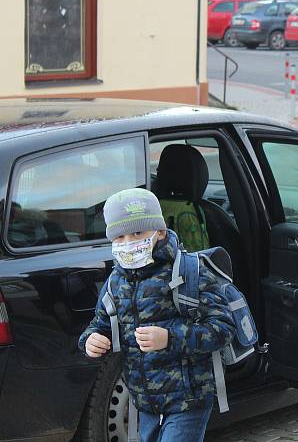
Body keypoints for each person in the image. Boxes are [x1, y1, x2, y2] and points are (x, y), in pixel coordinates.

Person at [79, 188, 234, 442]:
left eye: (138, 233)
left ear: (160, 232)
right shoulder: (116, 281)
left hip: (188, 398)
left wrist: (169, 338)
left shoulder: (189, 272)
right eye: (119, 236)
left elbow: (223, 329)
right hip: (144, 400)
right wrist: (90, 340)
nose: (128, 242)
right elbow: (99, 324)